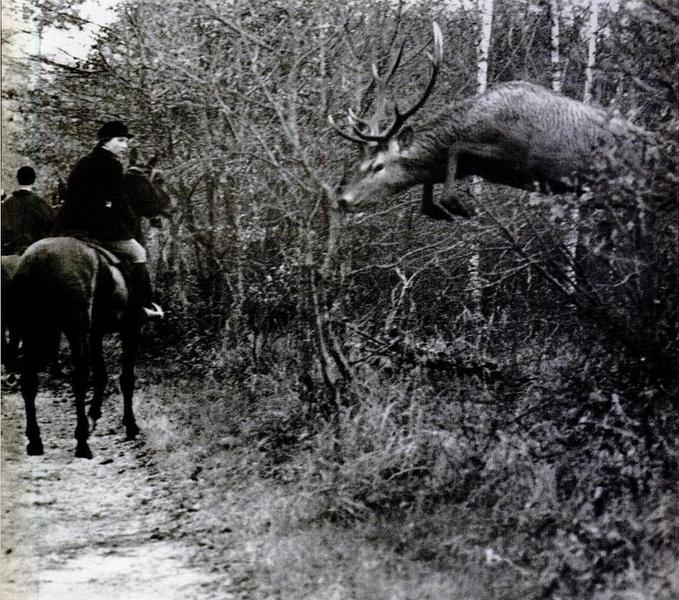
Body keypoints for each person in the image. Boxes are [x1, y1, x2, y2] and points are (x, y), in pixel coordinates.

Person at [58, 120, 163, 319]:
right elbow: (118, 201)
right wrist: (126, 224)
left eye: (126, 142)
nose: (124, 146)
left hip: (68, 225)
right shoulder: (112, 164)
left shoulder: (83, 161)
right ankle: (141, 307)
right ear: (106, 141)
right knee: (138, 253)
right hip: (99, 228)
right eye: (121, 140)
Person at [1, 166, 56, 255]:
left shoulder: (6, 203)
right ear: (33, 180)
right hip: (34, 251)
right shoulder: (39, 203)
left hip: (9, 251)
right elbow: (51, 224)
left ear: (17, 179)